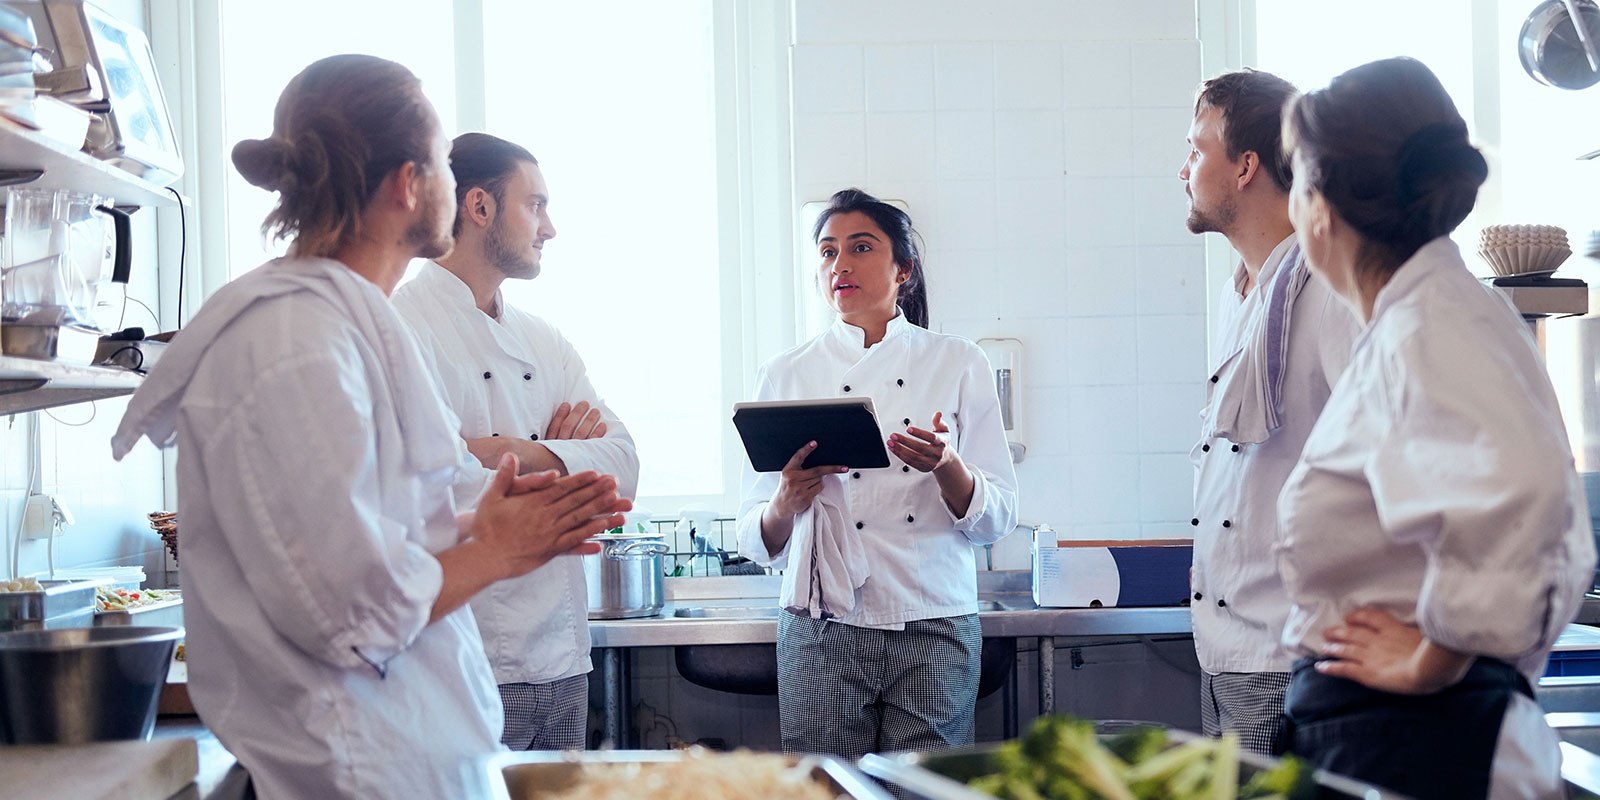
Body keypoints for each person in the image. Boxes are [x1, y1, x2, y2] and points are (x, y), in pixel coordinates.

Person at [110, 55, 630, 799]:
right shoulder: (293, 344)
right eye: (443, 160)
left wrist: (472, 522)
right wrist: (497, 550)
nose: (454, 179)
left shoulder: (350, 325)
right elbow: (346, 615)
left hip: (406, 761)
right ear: (408, 185)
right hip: (352, 775)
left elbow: (367, 536)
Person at [1275, 56, 1596, 798]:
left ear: (1318, 208)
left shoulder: (1429, 324)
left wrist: (1437, 659)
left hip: (1424, 738)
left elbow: (1524, 494)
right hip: (1393, 737)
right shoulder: (1419, 319)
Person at [735, 188, 1019, 759]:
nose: (839, 264)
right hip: (822, 625)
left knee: (928, 791)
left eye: (860, 247)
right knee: (828, 791)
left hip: (934, 618)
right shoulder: (785, 373)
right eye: (827, 251)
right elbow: (754, 536)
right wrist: (785, 501)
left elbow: (999, 519)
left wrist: (947, 467)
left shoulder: (958, 361)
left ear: (903, 270)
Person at [393, 132, 639, 751]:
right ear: (480, 207)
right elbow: (431, 485)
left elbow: (624, 466)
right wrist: (565, 468)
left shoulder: (544, 339)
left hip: (563, 654)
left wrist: (513, 451)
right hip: (466, 652)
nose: (549, 227)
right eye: (536, 204)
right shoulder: (401, 326)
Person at [1178, 68, 1359, 753]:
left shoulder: (1335, 289)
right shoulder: (1242, 294)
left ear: (1246, 165)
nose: (1184, 169)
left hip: (1295, 653)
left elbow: (1390, 457)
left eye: (1197, 150)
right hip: (1226, 648)